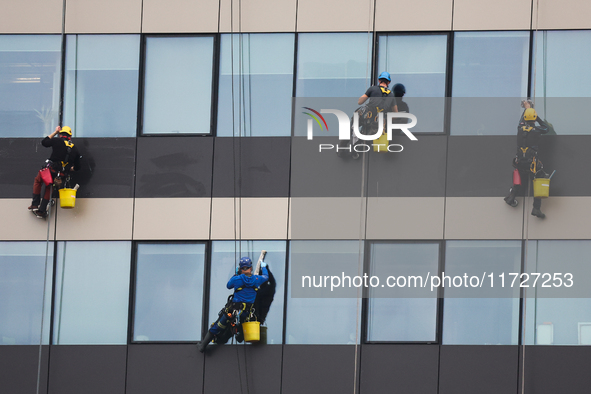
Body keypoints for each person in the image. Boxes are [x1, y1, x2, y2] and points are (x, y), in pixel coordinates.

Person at [199, 256, 269, 352]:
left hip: (233, 312)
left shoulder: (237, 279)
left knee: (217, 326)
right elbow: (266, 277)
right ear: (251, 268)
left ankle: (202, 345)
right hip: (246, 314)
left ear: (240, 269)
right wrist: (264, 267)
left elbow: (228, 286)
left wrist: (235, 274)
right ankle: (240, 336)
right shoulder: (257, 279)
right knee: (242, 326)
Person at [504, 107, 549, 218]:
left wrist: (526, 108)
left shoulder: (519, 128)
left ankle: (511, 197)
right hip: (532, 164)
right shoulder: (537, 130)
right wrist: (536, 117)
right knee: (540, 179)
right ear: (534, 118)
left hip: (520, 162)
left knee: (520, 179)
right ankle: (536, 208)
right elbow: (546, 128)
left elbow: (521, 121)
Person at [28, 126, 81, 218]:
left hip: (50, 170)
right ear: (70, 136)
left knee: (38, 181)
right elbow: (78, 167)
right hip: (61, 174)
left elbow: (44, 142)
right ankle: (41, 211)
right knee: (49, 188)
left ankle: (35, 204)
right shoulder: (75, 149)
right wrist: (70, 168)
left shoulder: (57, 141)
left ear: (61, 134)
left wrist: (55, 132)